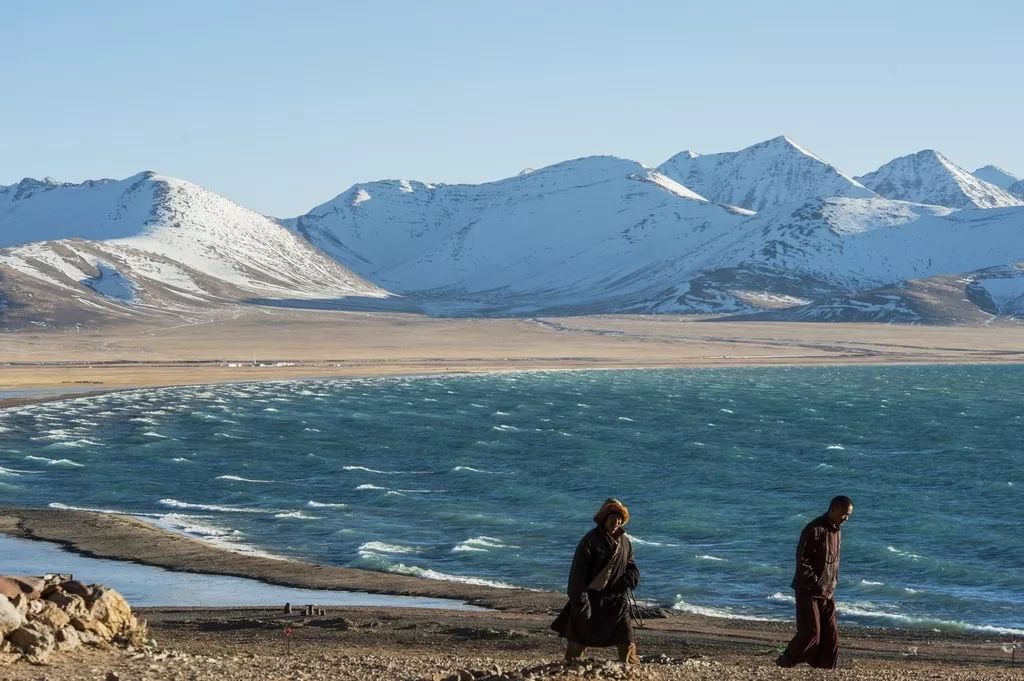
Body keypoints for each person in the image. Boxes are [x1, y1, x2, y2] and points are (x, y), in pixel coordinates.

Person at [551, 498, 640, 664]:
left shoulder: (625, 542)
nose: (617, 522)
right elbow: (577, 575)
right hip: (590, 601)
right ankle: (567, 672)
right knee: (577, 643)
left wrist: (628, 580)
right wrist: (580, 603)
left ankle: (633, 674)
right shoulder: (590, 540)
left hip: (616, 602)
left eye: (620, 519)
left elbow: (632, 567)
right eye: (614, 518)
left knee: (627, 641)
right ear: (604, 517)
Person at [776, 495, 854, 669]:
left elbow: (833, 562)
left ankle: (825, 669)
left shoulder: (837, 530)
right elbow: (802, 559)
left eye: (848, 515)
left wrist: (832, 583)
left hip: (828, 590)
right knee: (811, 633)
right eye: (844, 514)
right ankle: (785, 661)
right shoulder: (814, 529)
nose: (846, 519)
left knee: (831, 636)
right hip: (808, 590)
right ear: (833, 509)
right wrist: (814, 583)